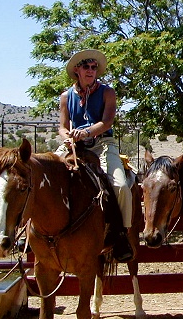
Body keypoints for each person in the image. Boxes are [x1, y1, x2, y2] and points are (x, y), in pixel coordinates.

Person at [55, 49, 134, 262]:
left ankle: (121, 235)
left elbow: (107, 122)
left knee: (121, 186)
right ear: (76, 70)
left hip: (103, 143)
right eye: (86, 67)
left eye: (94, 67)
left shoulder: (108, 92)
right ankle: (29, 230)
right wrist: (69, 136)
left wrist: (88, 132)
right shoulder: (65, 97)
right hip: (74, 144)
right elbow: (61, 127)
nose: (91, 70)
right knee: (44, 173)